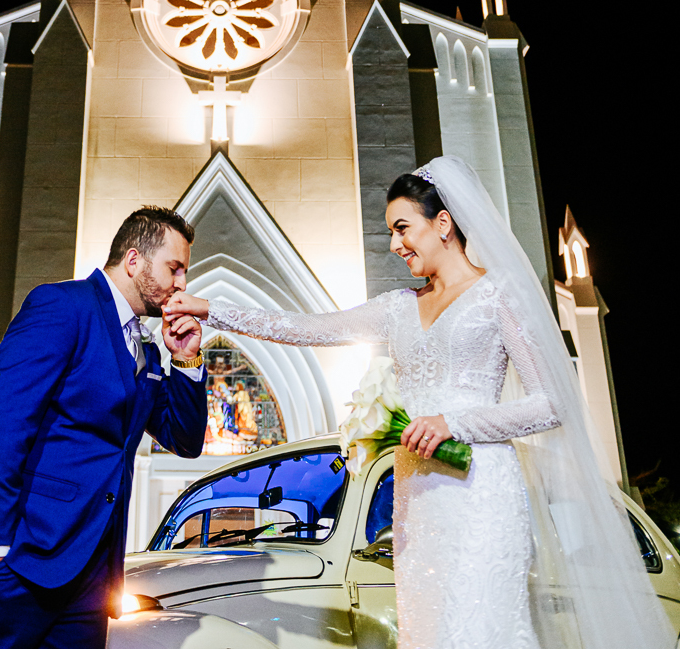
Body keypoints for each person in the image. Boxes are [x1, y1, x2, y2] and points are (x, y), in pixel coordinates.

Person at [165, 156, 673, 649]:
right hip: (417, 507)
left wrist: (454, 423)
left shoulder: (499, 295)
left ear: (443, 224)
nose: (394, 244)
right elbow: (305, 328)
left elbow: (550, 404)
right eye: (391, 232)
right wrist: (210, 310)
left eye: (402, 228)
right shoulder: (398, 308)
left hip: (481, 496)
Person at [0, 205, 208, 649]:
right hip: (22, 555)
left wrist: (187, 359)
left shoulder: (150, 350)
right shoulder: (62, 306)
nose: (181, 284)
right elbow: (5, 425)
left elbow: (185, 439)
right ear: (134, 260)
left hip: (92, 575)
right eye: (174, 268)